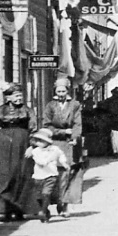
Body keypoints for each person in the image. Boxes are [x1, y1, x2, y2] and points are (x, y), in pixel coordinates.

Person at [0, 84, 32, 222]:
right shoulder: (0, 111)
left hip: (22, 145)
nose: (19, 98)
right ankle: (1, 210)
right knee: (1, 176)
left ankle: (17, 209)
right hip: (2, 145)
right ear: (8, 97)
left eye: (20, 96)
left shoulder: (27, 111)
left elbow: (33, 128)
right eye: (16, 96)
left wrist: (32, 146)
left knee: (19, 174)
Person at [41, 80, 84, 217]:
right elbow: (46, 125)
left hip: (70, 144)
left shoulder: (75, 105)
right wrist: (63, 132)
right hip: (54, 143)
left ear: (68, 91)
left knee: (68, 174)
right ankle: (53, 203)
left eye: (63, 91)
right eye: (58, 92)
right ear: (55, 92)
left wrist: (74, 137)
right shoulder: (50, 106)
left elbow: (78, 123)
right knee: (54, 175)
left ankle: (64, 205)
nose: (61, 94)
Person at [25, 128, 70, 222]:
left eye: (42, 141)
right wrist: (48, 160)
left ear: (47, 142)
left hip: (51, 175)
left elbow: (60, 155)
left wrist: (64, 163)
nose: (39, 143)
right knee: (38, 197)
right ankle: (46, 211)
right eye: (37, 141)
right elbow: (40, 162)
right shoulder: (36, 151)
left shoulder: (55, 149)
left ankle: (43, 211)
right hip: (38, 176)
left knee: (46, 193)